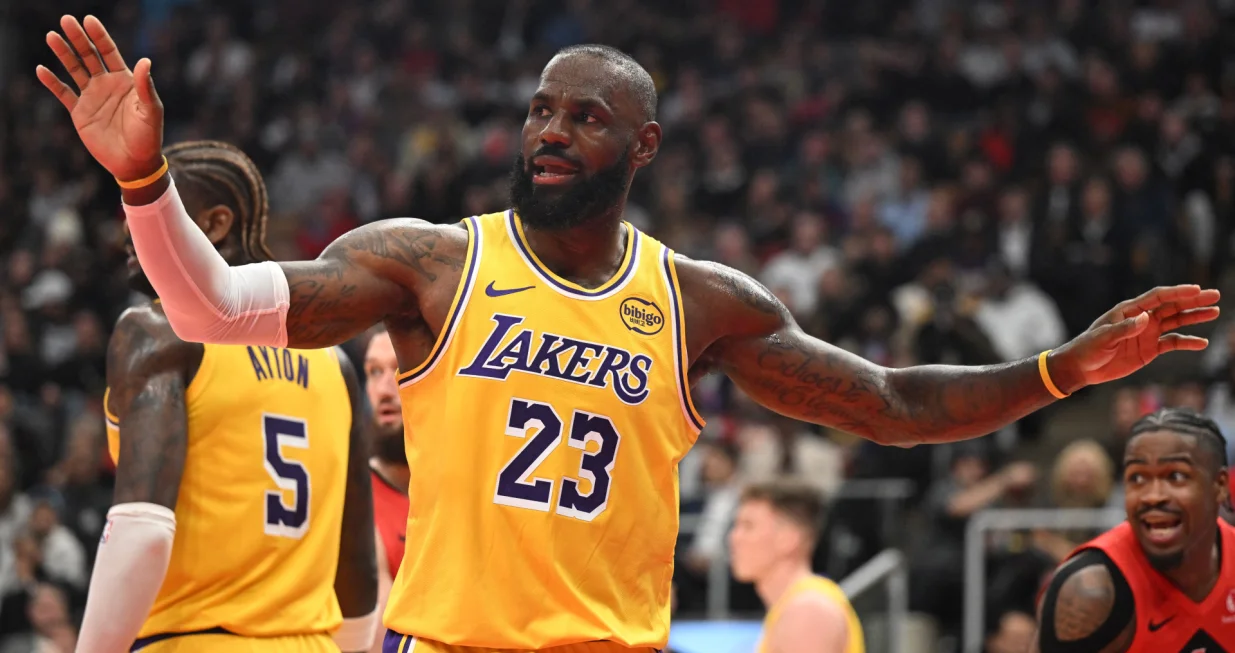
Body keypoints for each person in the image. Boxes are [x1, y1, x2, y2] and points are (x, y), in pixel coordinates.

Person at [39, 16, 1220, 653]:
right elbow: (211, 307)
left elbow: (891, 403)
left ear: (641, 147)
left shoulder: (697, 300)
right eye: (538, 110)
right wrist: (144, 179)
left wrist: (1065, 365)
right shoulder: (431, 261)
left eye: (583, 116)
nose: (549, 130)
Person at [85, 140, 378, 652]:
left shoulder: (156, 330)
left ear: (216, 224)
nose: (126, 231)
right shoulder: (333, 360)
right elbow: (356, 569)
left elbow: (144, 529)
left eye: (149, 210)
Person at [1031, 408, 1235, 653]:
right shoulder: (1091, 592)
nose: (1153, 496)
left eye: (1176, 476)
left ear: (1220, 485)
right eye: (1137, 478)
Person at [728, 480, 863, 653]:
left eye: (748, 526)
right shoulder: (796, 606)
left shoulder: (807, 612)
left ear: (789, 539)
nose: (734, 538)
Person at [362, 326, 410, 653]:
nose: (384, 389)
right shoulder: (357, 493)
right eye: (374, 371)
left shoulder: (461, 487)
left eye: (398, 370)